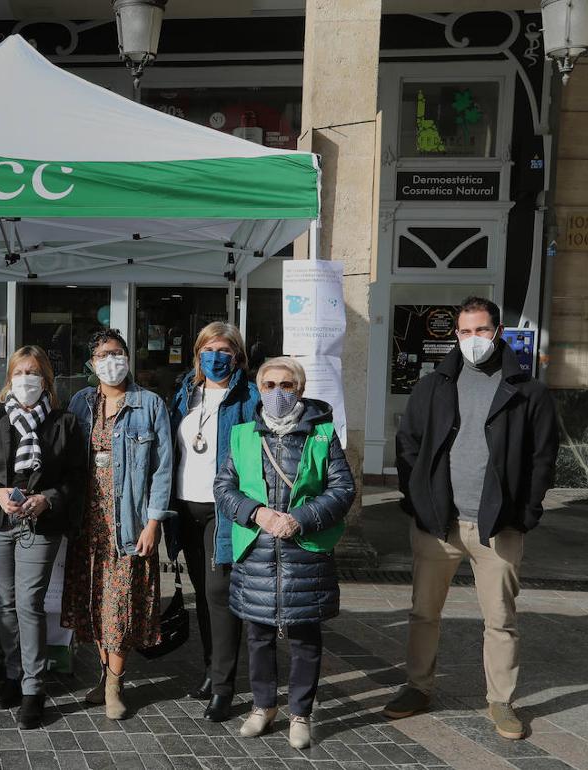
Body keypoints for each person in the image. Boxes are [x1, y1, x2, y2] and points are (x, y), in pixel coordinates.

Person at [384, 297, 558, 741]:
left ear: (498, 332)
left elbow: (542, 458)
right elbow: (408, 444)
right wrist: (416, 500)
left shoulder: (527, 390)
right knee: (423, 612)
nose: (472, 340)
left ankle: (501, 700)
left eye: (481, 331)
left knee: (500, 619)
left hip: (498, 525)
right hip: (438, 522)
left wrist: (526, 513)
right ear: (455, 335)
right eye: (464, 332)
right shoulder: (434, 384)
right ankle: (417, 686)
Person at [214, 356, 354, 750]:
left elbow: (342, 491)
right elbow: (224, 488)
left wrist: (301, 519)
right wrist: (255, 513)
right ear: (259, 389)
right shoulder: (242, 434)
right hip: (256, 552)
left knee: (305, 637)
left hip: (305, 553)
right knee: (257, 635)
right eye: (269, 385)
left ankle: (300, 713)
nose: (277, 392)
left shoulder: (323, 434)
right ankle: (263, 706)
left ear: (301, 389)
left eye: (286, 385)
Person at [0, 346, 86, 728]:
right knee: (6, 603)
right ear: (9, 377)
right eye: (19, 372)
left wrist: (47, 500)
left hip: (40, 525)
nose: (26, 379)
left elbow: (77, 479)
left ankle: (34, 688)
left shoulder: (65, 424)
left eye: (34, 373)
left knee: (29, 602)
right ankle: (13, 675)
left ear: (46, 380)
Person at [61, 328, 174, 721]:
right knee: (95, 604)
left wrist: (154, 521)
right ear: (91, 365)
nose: (112, 360)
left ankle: (113, 684)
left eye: (118, 352)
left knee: (120, 607)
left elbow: (163, 468)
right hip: (87, 523)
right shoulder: (79, 402)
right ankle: (105, 675)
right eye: (103, 355)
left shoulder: (149, 404)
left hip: (129, 521)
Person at [167, 321, 259, 722]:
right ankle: (211, 668)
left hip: (224, 511)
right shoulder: (185, 392)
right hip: (186, 506)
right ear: (198, 354)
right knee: (203, 593)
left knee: (220, 594)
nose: (216, 357)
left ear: (237, 356)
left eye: (224, 351)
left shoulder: (250, 397)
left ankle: (224, 686)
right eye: (209, 349)